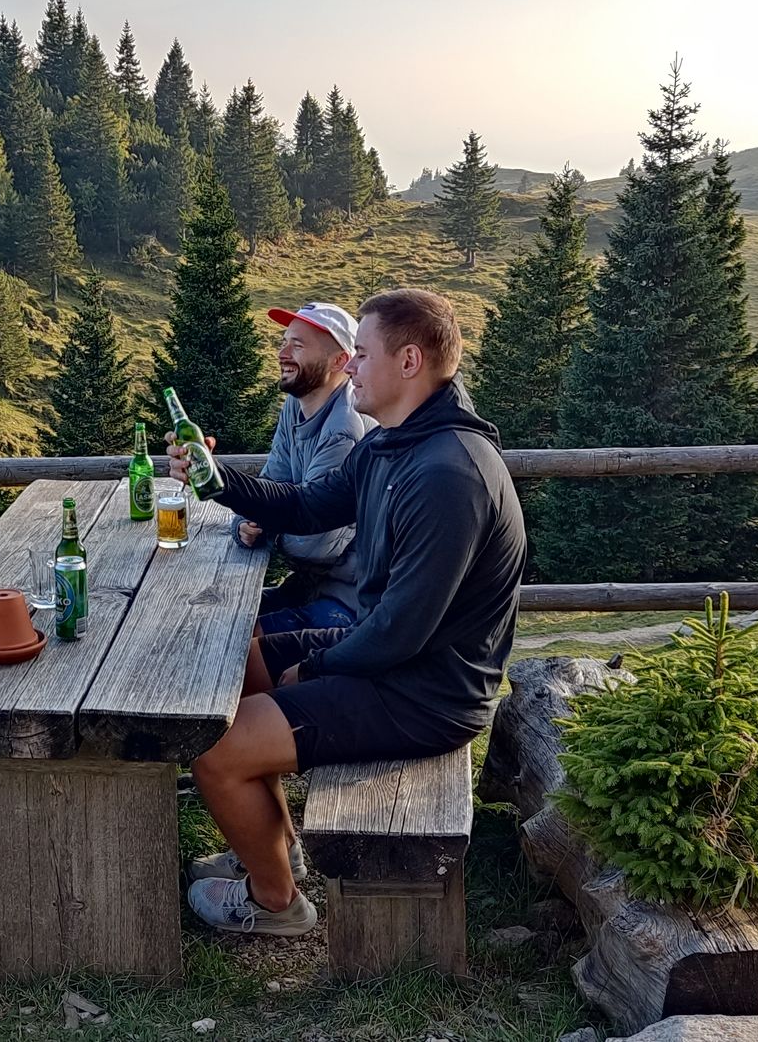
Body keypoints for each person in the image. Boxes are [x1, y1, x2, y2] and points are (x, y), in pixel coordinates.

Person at [169, 288, 527, 936]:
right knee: (243, 649)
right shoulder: (393, 443)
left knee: (216, 746)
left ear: (410, 360)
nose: (350, 367)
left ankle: (276, 902)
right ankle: (275, 846)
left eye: (361, 354)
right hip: (396, 659)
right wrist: (214, 478)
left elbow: (400, 630)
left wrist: (313, 667)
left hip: (427, 693)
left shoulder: (449, 473)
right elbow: (307, 506)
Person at [237, 303, 371, 636]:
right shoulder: (294, 409)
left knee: (236, 642)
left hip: (348, 600)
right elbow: (269, 485)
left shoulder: (345, 427)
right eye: (285, 342)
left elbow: (312, 544)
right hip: (311, 585)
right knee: (222, 621)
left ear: (340, 360)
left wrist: (263, 523)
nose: (282, 353)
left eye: (297, 346)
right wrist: (245, 520)